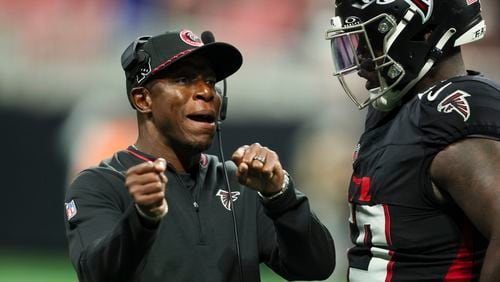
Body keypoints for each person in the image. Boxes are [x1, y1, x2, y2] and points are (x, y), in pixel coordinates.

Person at [63, 29, 335, 282]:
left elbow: (316, 267)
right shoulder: (99, 185)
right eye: (184, 79)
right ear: (143, 100)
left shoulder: (243, 183)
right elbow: (95, 273)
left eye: (211, 81)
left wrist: (281, 195)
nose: (206, 91)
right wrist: (142, 219)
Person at [325, 0, 500, 281]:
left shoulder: (452, 111)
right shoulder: (394, 112)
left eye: (371, 40)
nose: (360, 61)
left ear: (426, 33)